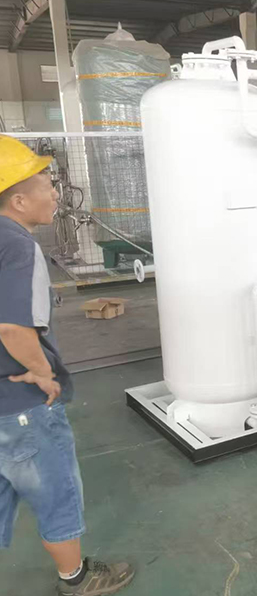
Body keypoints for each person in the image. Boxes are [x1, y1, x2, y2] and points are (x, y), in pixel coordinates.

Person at [0, 135, 135, 596]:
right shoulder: (18, 246)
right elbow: (12, 328)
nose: (56, 193)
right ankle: (76, 579)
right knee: (55, 487)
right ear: (19, 200)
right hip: (18, 399)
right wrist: (43, 372)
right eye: (45, 184)